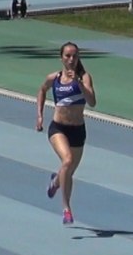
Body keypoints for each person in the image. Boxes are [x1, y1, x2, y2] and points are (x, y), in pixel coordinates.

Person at [35, 42, 97, 225]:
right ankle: (66, 208)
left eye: (74, 56)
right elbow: (41, 90)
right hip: (58, 128)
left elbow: (92, 102)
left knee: (67, 172)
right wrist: (39, 115)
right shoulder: (54, 78)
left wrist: (78, 82)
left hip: (77, 130)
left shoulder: (84, 77)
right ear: (61, 58)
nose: (71, 60)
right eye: (67, 56)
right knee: (67, 161)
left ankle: (55, 182)